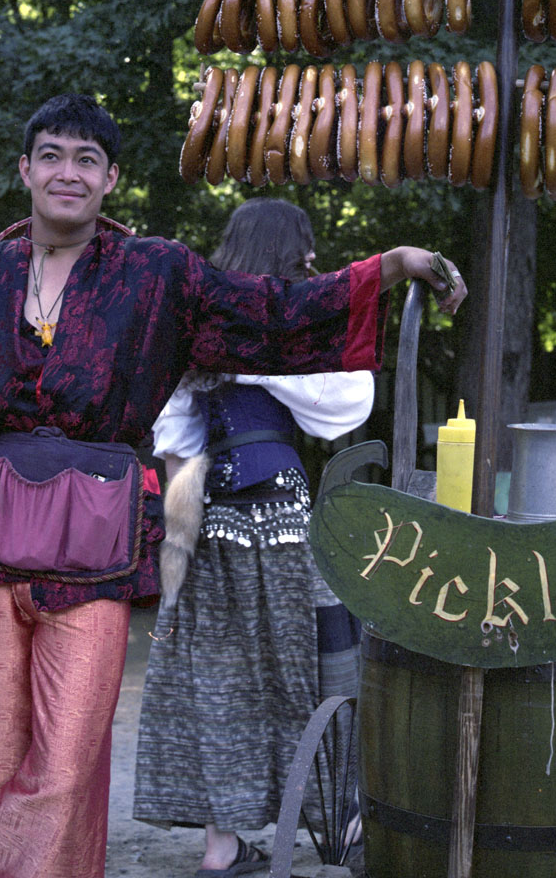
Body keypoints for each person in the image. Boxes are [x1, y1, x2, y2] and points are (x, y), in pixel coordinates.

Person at [0, 92, 466, 878]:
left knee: (67, 759)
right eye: (51, 156)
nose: (66, 173)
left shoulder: (157, 274)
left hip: (94, 556)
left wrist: (389, 267)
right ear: (25, 169)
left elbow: (274, 309)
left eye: (85, 161)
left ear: (111, 180)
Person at [133, 199, 375, 874]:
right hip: (286, 520)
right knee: (316, 667)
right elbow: (347, 406)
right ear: (286, 252)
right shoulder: (292, 331)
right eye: (305, 250)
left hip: (214, 522)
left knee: (221, 680)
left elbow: (175, 447)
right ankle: (345, 824)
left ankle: (222, 847)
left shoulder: (197, 333)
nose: (312, 261)